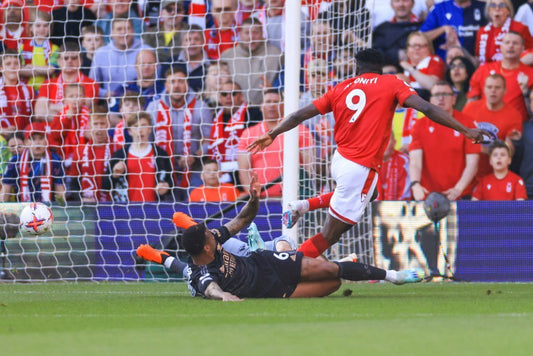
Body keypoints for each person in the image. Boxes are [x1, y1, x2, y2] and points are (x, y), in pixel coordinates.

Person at [248, 49, 487, 259]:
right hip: (359, 166)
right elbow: (425, 107)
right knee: (330, 235)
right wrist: (465, 130)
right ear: (380, 68)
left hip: (340, 159)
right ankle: (285, 265)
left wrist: (273, 132)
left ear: (356, 67)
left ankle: (301, 205)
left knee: (372, 193)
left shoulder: (340, 88)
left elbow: (300, 114)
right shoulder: (391, 83)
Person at [138, 175, 424, 300]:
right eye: (206, 234)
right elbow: (210, 287)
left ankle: (393, 276)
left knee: (329, 269)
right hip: (272, 290)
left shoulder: (214, 238)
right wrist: (223, 295)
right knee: (333, 284)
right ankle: (157, 253)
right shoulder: (201, 273)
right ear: (205, 246)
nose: (213, 232)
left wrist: (253, 199)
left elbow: (241, 220)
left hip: (268, 261)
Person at [409, 82, 480, 201]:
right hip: (429, 197)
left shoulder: (467, 124)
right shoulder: (419, 125)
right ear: (430, 99)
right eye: (436, 94)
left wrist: (458, 189)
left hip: (461, 195)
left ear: (454, 99)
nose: (441, 98)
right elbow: (415, 161)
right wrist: (415, 184)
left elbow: (473, 163)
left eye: (445, 94)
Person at [238, 89, 315, 198]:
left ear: (283, 105)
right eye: (268, 101)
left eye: (276, 102)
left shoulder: (301, 131)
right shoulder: (248, 134)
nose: (272, 105)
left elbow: (309, 167)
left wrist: (301, 192)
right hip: (260, 199)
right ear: (261, 106)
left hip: (293, 197)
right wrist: (253, 196)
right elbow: (243, 169)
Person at [146, 66, 213, 191]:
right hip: (161, 167)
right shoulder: (153, 108)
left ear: (187, 84)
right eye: (172, 82)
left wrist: (194, 156)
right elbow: (146, 140)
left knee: (195, 204)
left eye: (181, 81)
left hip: (194, 168)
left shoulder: (201, 107)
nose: (176, 86)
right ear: (166, 85)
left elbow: (209, 140)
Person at [102, 112, 173, 202]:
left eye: (143, 125)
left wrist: (166, 187)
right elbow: (105, 186)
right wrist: (114, 175)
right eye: (135, 126)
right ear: (130, 131)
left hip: (154, 211)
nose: (140, 130)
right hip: (126, 210)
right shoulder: (119, 155)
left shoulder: (161, 154)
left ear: (150, 129)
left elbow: (171, 182)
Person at [462, 74, 523, 178]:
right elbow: (460, 138)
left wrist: (478, 148)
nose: (493, 91)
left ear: (505, 91)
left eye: (497, 87)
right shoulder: (470, 108)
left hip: (496, 174)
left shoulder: (514, 115)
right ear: (484, 89)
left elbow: (509, 151)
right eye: (489, 87)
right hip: (467, 171)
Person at [468, 31, 533, 123]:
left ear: (522, 48)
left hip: (517, 126)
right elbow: (472, 101)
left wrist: (526, 91)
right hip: (485, 124)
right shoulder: (484, 69)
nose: (511, 46)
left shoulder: (530, 73)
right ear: (501, 47)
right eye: (507, 42)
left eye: (515, 43)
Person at [220, 17, 282, 106]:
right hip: (235, 110)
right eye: (246, 33)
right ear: (240, 34)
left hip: (266, 107)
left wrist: (273, 90)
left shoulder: (276, 54)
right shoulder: (227, 56)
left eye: (255, 32)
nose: (251, 37)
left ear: (262, 34)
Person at [208, 80, 260, 184]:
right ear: (219, 98)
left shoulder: (253, 113)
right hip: (219, 172)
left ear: (241, 96)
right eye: (224, 94)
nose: (228, 97)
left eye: (233, 94)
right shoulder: (215, 116)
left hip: (246, 170)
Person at [1, 122, 65, 203]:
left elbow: (59, 190)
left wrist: (63, 211)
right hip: (22, 208)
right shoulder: (15, 161)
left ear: (46, 140)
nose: (37, 142)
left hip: (48, 208)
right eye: (33, 139)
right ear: (26, 142)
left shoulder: (55, 159)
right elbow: (5, 191)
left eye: (41, 138)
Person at [90, 16, 152, 98]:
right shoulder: (101, 53)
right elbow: (92, 84)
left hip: (141, 100)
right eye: (119, 29)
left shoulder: (147, 50)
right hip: (109, 102)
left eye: (127, 28)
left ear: (133, 31)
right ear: (111, 33)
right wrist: (105, 94)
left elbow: (157, 81)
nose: (124, 32)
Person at [36, 42, 99, 122]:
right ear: (58, 62)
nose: (69, 61)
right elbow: (40, 113)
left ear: (81, 61)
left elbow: (82, 111)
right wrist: (68, 114)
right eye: (65, 58)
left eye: (73, 58)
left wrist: (52, 107)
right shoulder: (47, 84)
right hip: (51, 130)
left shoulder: (91, 84)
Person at [71, 106, 116, 203]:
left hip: (112, 205)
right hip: (88, 206)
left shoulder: (117, 148)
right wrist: (80, 199)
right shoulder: (80, 150)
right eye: (95, 124)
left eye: (102, 124)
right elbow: (74, 183)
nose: (99, 128)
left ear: (108, 125)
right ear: (89, 126)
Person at [420, 0, 486, 60]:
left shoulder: (483, 8)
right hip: (444, 65)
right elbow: (420, 38)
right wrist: (444, 29)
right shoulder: (439, 9)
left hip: (476, 65)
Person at [476, 0, 533, 65]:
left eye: (502, 5)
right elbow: (478, 57)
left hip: (513, 70)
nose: (497, 9)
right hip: (488, 72)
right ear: (489, 11)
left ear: (508, 11)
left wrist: (518, 62)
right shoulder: (482, 31)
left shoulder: (519, 28)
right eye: (493, 5)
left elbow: (531, 52)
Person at [372, 0, 423, 66]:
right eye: (397, 1)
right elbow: (375, 53)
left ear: (413, 3)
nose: (401, 4)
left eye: (405, 1)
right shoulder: (382, 28)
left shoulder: (423, 27)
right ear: (391, 4)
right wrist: (395, 54)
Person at [18, 9, 58, 92]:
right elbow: (19, 71)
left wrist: (30, 67)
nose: (42, 29)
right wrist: (43, 69)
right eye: (38, 25)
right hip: (27, 89)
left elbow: (51, 70)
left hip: (47, 90)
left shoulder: (54, 48)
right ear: (31, 28)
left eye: (45, 26)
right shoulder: (22, 47)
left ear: (50, 28)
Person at [400, 31, 446, 99]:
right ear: (407, 48)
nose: (417, 48)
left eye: (421, 46)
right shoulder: (404, 63)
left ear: (429, 48)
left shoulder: (434, 60)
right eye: (413, 46)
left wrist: (410, 69)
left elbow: (431, 85)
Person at [142, 0, 186, 67]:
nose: (173, 13)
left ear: (183, 13)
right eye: (169, 9)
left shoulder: (190, 32)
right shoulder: (150, 33)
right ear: (161, 13)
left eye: (178, 10)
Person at [0, 50, 34, 136]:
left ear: (21, 67)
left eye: (16, 64)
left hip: (22, 138)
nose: (13, 67)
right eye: (8, 64)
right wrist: (2, 131)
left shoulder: (28, 90)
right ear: (1, 68)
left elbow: (33, 118)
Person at [171, 25, 211, 93]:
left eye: (196, 39)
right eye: (188, 40)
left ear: (203, 42)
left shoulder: (213, 64)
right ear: (182, 43)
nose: (192, 43)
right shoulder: (170, 63)